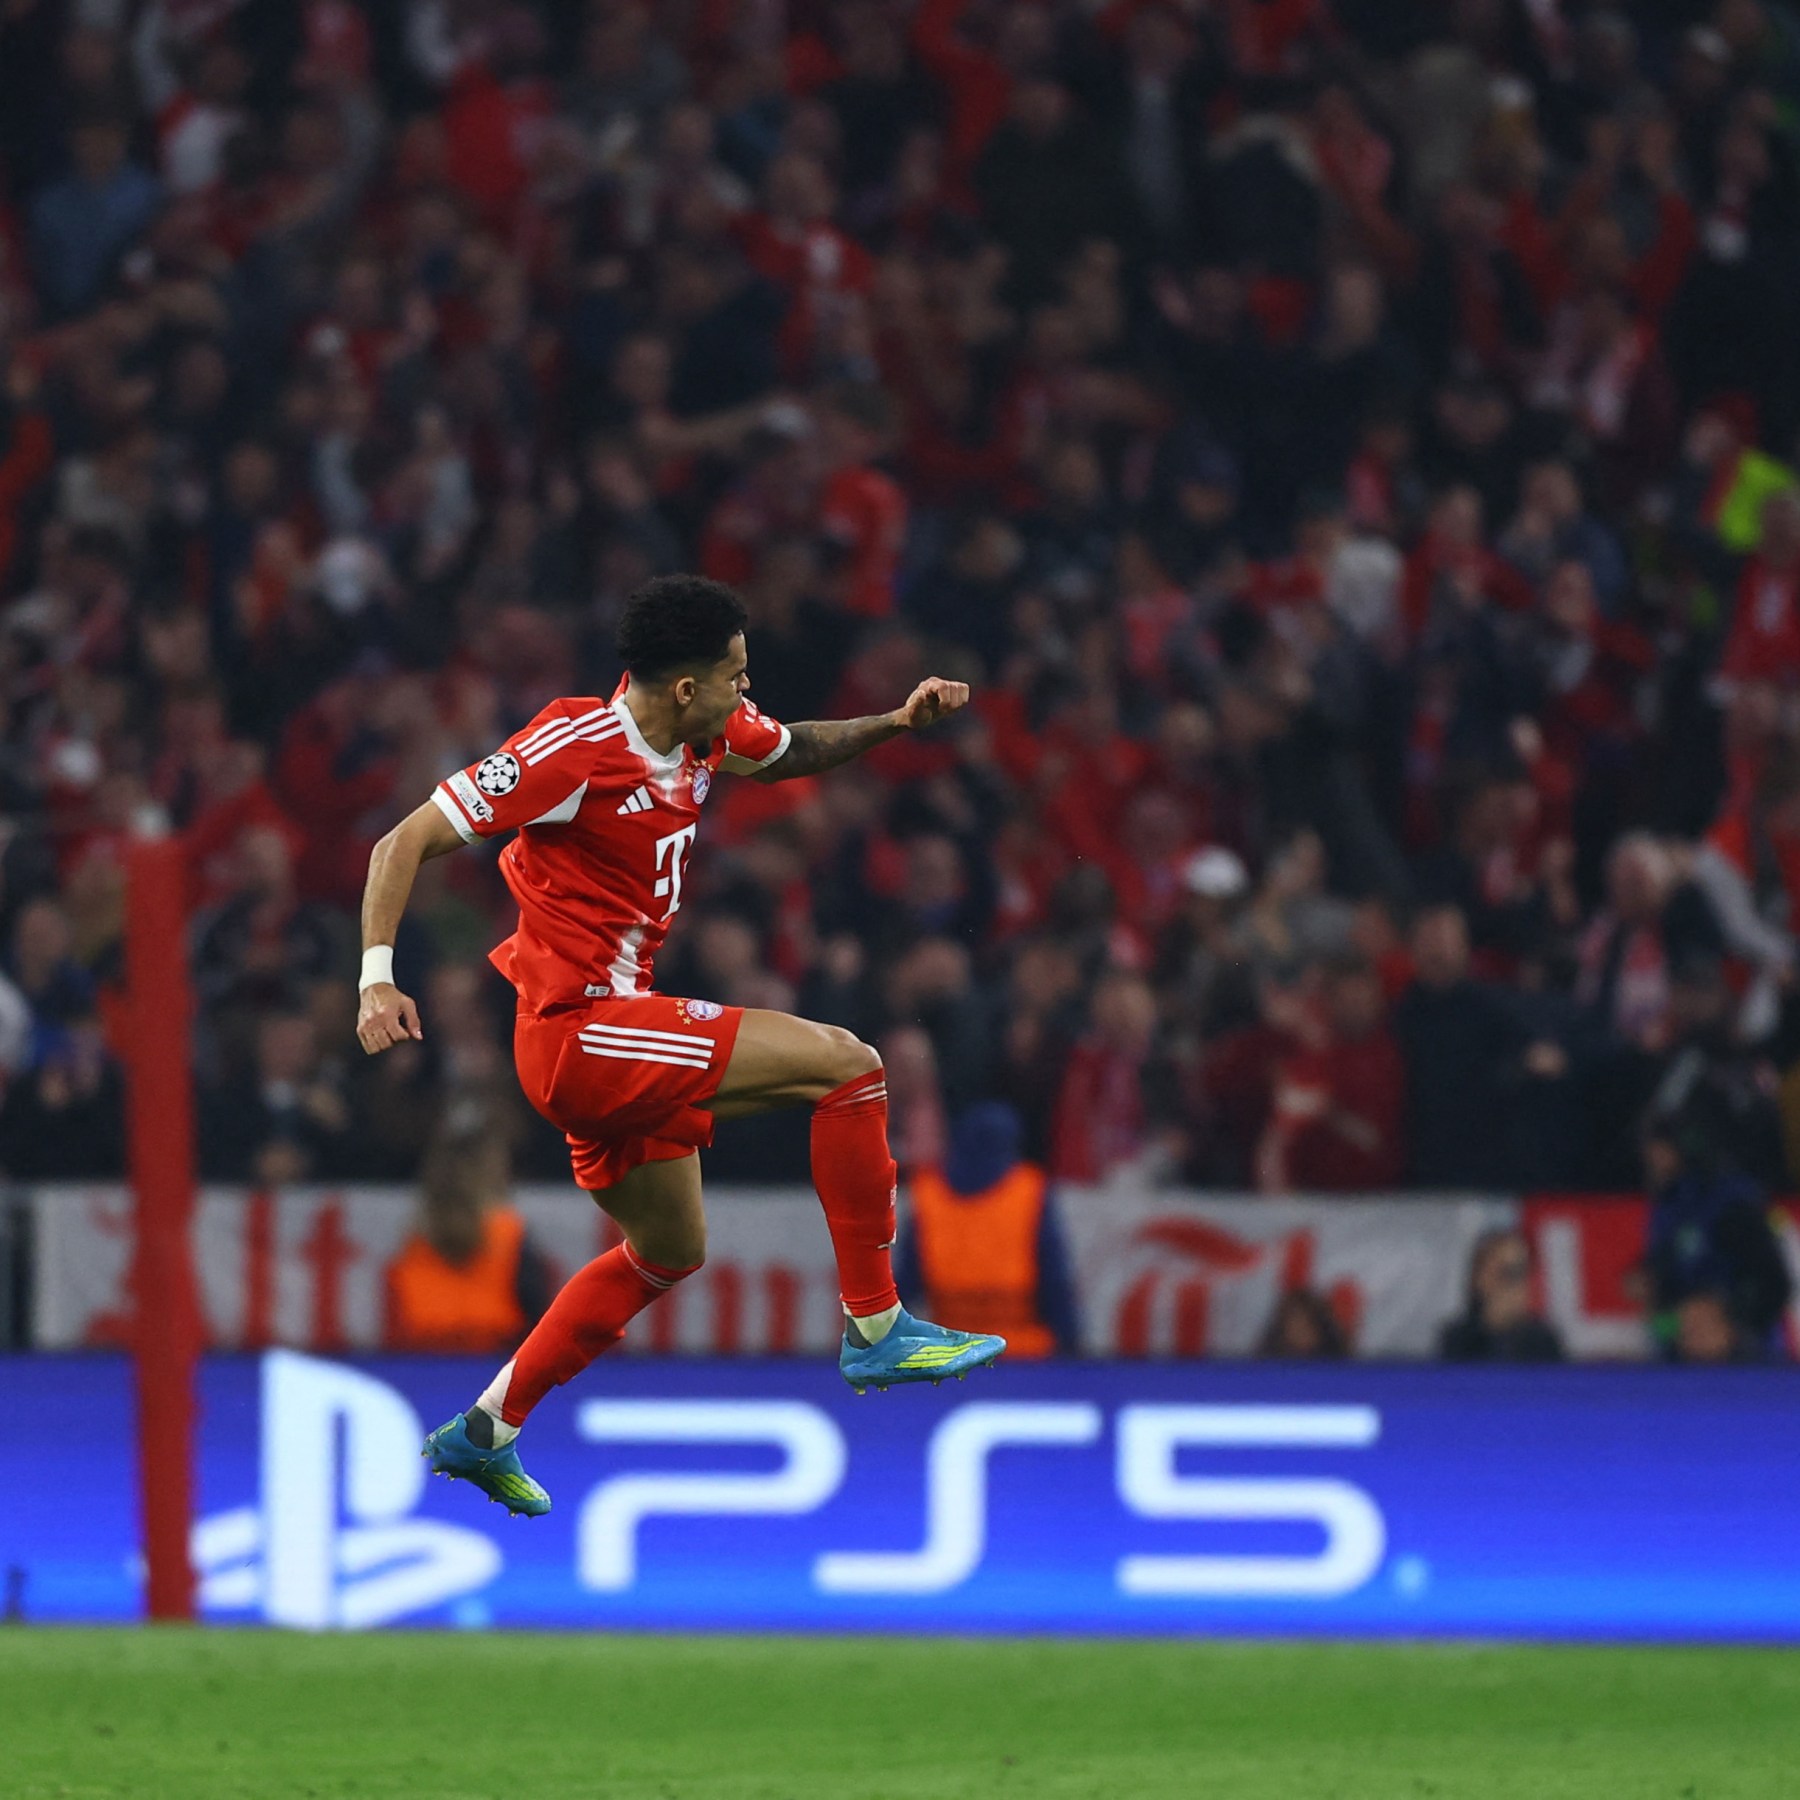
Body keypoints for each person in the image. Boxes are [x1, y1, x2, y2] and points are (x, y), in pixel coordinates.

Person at [355, 573, 1005, 1516]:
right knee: (850, 1065)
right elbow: (399, 843)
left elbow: (789, 752)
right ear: (687, 686)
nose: (749, 690)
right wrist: (377, 978)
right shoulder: (572, 750)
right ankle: (877, 1325)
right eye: (736, 675)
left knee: (667, 1249)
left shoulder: (708, 729)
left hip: (613, 1031)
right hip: (582, 1031)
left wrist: (897, 723)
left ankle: (486, 1429)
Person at [897, 1102, 1080, 1357]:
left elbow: (904, 1287)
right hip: (1022, 1354)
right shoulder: (1028, 1190)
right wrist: (1071, 1349)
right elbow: (1055, 1284)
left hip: (950, 1353)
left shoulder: (928, 1194)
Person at [383, 1136, 552, 1355]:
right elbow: (537, 1313)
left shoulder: (411, 1247)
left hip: (433, 1362)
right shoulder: (510, 1233)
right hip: (495, 1359)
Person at [1437, 1229, 1565, 1363]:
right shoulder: (1457, 1340)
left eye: (1524, 1271)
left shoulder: (1544, 1342)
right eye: (1509, 1272)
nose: (1519, 1283)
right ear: (1480, 1277)